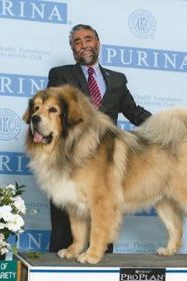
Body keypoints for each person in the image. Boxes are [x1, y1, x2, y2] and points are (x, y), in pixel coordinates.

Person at [47, 24, 152, 253]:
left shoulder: (117, 80)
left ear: (98, 42)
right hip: (71, 163)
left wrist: (161, 127)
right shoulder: (60, 75)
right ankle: (57, 272)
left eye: (88, 39)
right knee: (66, 226)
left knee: (103, 215)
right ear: (72, 49)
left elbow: (133, 111)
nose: (84, 45)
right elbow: (53, 110)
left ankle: (101, 267)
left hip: (105, 165)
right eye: (77, 41)